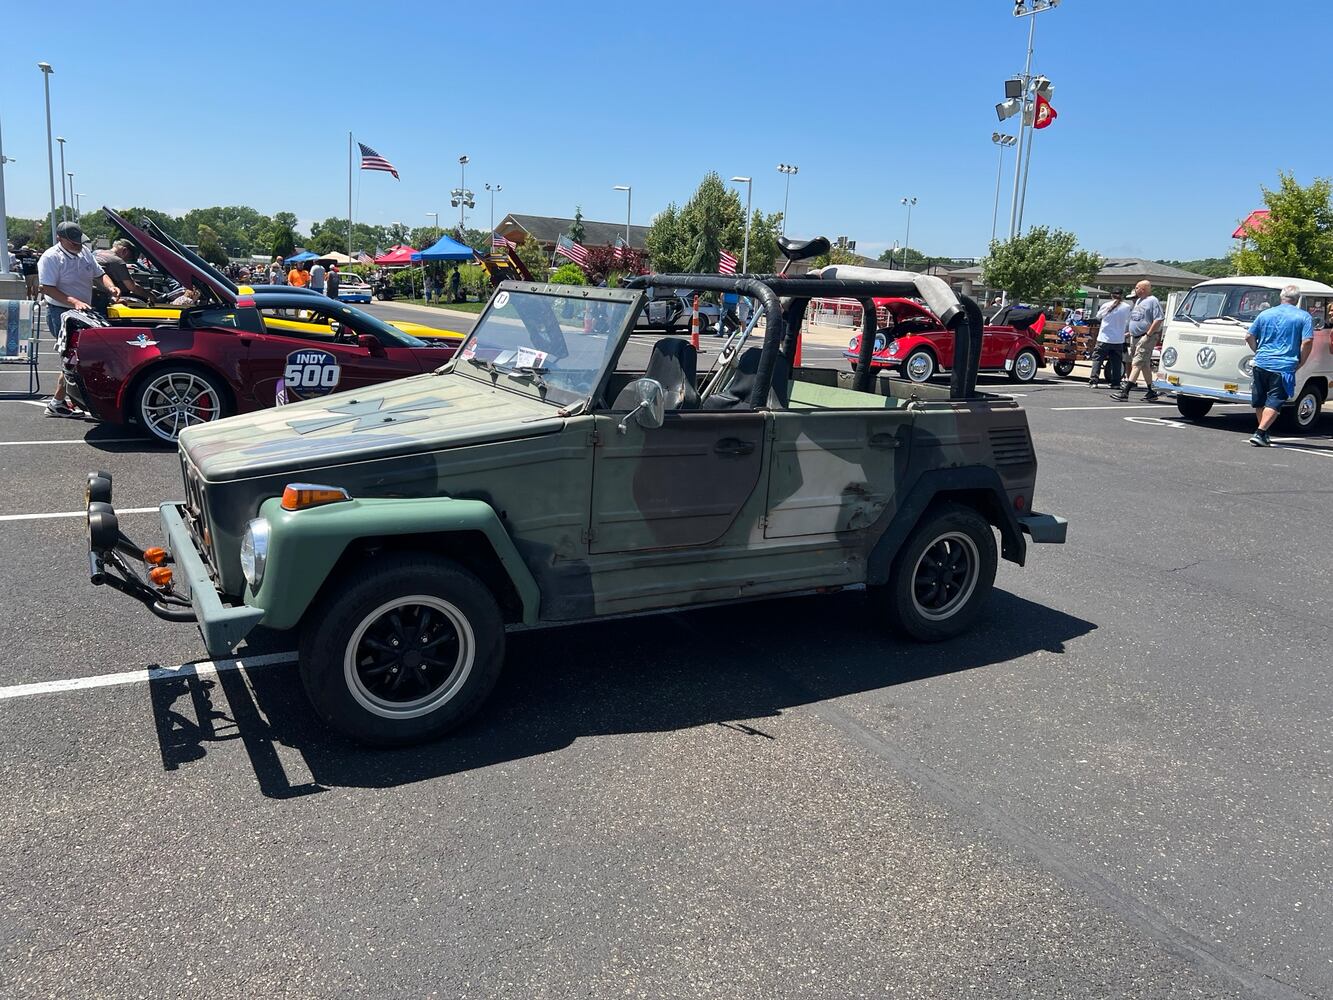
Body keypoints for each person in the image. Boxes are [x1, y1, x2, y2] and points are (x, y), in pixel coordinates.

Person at [38, 221, 120, 417]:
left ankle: (60, 402)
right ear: (60, 238)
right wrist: (73, 301)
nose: (77, 245)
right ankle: (58, 402)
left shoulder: (84, 253)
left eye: (79, 241)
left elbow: (100, 275)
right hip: (61, 312)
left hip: (82, 310)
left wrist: (110, 287)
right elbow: (46, 287)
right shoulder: (50, 257)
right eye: (72, 242)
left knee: (76, 358)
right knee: (72, 358)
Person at [1245, 284, 1313, 447]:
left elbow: (1248, 336)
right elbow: (1307, 341)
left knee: (1261, 400)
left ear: (1281, 297)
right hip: (1283, 365)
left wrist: (1258, 351)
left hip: (1261, 362)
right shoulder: (1303, 317)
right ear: (1297, 299)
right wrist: (1301, 361)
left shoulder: (1265, 314)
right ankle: (1260, 432)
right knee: (1276, 400)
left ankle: (1264, 432)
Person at [1111, 280, 1164, 402]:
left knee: (1137, 363)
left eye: (1137, 288)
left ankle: (1125, 392)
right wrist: (1130, 332)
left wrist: (1148, 335)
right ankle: (1151, 391)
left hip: (1145, 337)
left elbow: (1158, 319)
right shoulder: (1139, 301)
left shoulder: (1152, 301)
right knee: (1144, 365)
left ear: (1143, 289)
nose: (1135, 290)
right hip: (1134, 337)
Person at [1089, 292, 1131, 388]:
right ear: (1122, 296)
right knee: (1116, 362)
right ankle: (1115, 383)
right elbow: (1128, 321)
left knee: (1097, 359)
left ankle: (1094, 381)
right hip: (1118, 339)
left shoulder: (1106, 305)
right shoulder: (1127, 307)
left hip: (1104, 337)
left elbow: (1098, 317)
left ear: (1111, 296)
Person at [94, 239, 154, 305]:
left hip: (92, 293)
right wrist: (150, 296)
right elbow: (132, 287)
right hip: (106, 298)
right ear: (125, 251)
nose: (127, 261)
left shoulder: (96, 253)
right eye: (129, 258)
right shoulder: (117, 261)